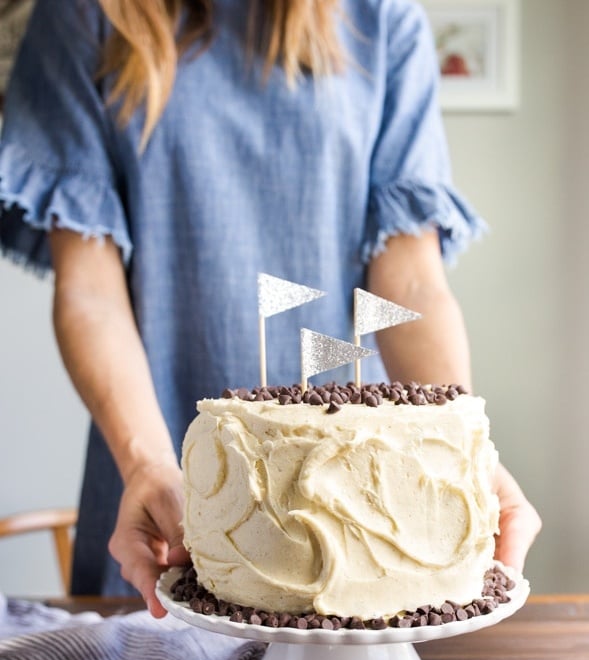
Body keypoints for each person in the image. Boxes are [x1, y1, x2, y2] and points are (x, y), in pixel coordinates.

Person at [0, 0, 540, 616]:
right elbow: (90, 290)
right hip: (155, 474)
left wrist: (462, 443)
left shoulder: (382, 18)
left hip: (363, 506)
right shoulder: (86, 15)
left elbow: (411, 281)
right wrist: (147, 462)